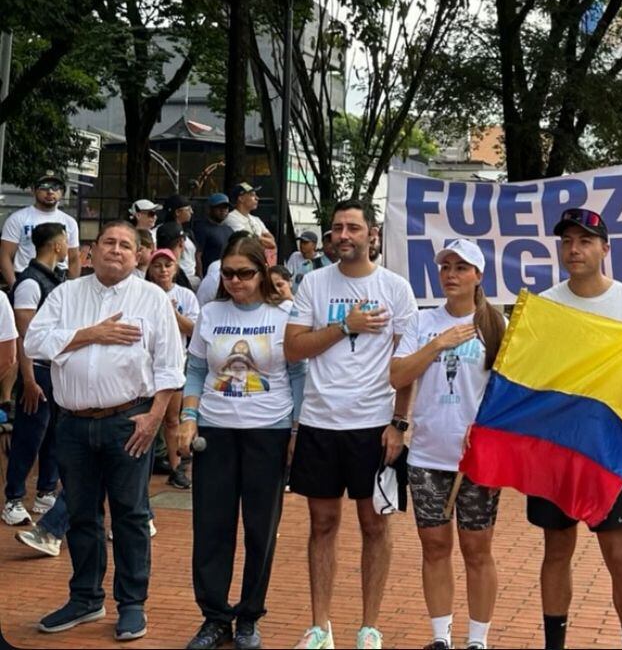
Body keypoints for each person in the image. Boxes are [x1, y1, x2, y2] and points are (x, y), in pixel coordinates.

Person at [25, 220, 185, 641]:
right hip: (73, 423)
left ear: (140, 256)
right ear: (92, 251)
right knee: (81, 515)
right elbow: (34, 343)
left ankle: (131, 605)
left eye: (126, 245)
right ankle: (85, 599)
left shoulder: (151, 299)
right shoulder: (65, 293)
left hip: (128, 421)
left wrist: (155, 418)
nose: (116, 250)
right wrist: (90, 334)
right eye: (108, 243)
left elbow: (171, 367)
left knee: (131, 516)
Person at [531, 207, 622, 650]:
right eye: (567, 241)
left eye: (585, 241)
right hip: (554, 448)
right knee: (556, 551)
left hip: (606, 449)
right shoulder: (546, 304)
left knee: (619, 554)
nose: (575, 249)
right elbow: (532, 373)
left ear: (604, 249)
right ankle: (554, 643)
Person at [284, 199, 419, 650]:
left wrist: (400, 422)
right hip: (321, 422)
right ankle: (320, 627)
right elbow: (294, 349)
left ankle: (369, 627)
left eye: (353, 228)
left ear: (372, 234)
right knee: (322, 525)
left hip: (374, 425)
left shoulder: (396, 289)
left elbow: (405, 364)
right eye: (337, 228)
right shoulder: (313, 283)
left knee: (375, 525)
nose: (344, 235)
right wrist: (346, 326)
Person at [178, 234, 304, 650]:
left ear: (263, 271)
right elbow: (196, 369)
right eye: (228, 273)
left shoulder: (286, 312)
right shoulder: (211, 312)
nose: (235, 281)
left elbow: (300, 375)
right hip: (214, 431)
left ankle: (249, 616)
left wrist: (295, 429)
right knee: (211, 527)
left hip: (268, 430)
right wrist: (189, 417)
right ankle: (214, 617)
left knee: (259, 528)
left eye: (245, 273)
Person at [390, 239, 507, 650]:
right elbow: (398, 375)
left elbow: (512, 389)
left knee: (477, 548)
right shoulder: (424, 322)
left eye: (461, 268)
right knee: (434, 545)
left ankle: (478, 640)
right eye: (446, 267)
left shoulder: (497, 325)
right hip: (427, 454)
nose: (451, 275)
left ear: (478, 275)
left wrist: (491, 429)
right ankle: (440, 637)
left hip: (477, 458)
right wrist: (437, 344)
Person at [2, 223, 67, 527]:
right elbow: (23, 335)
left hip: (56, 370)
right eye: (66, 240)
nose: (69, 245)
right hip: (37, 372)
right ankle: (13, 498)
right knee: (30, 435)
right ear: (57, 245)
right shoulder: (30, 283)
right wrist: (27, 380)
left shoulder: (56, 280)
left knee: (55, 433)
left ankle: (45, 491)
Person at [146, 248, 200, 490]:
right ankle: (143, 466)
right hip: (146, 363)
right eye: (157, 265)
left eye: (168, 265)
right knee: (147, 415)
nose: (163, 270)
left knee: (171, 417)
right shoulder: (143, 292)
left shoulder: (186, 296)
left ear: (176, 268)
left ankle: (177, 466)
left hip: (176, 360)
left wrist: (171, 313)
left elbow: (193, 330)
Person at [0, 173, 81, 287]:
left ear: (62, 192)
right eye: (44, 186)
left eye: (56, 187)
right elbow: (5, 256)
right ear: (33, 190)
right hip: (26, 277)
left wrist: (71, 289)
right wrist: (14, 286)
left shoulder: (70, 222)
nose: (50, 191)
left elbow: (74, 258)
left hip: (59, 278)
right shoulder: (17, 218)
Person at [224, 184, 277, 256]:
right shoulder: (231, 218)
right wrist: (260, 237)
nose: (257, 198)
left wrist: (256, 237)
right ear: (241, 198)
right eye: (252, 195)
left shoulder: (256, 219)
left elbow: (272, 242)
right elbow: (248, 241)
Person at [161, 194, 199, 290]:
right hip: (177, 278)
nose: (192, 212)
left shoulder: (188, 232)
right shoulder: (163, 232)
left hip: (192, 277)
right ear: (177, 212)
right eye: (188, 209)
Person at [193, 193, 234, 278]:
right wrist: (200, 277)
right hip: (208, 275)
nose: (223, 210)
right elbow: (197, 255)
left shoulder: (229, 229)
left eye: (226, 207)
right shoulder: (201, 228)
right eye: (219, 207)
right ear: (210, 209)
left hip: (226, 275)